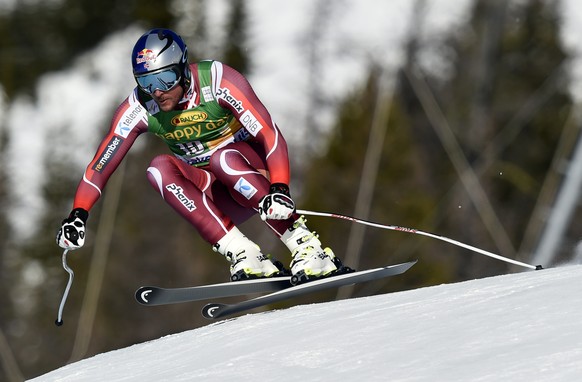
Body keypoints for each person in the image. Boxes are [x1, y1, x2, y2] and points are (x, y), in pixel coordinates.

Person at [56, 28, 348, 284]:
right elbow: (101, 164)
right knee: (158, 169)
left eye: (166, 78)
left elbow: (270, 134)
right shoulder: (140, 106)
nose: (157, 92)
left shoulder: (217, 81)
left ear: (183, 69)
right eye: (147, 83)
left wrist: (280, 187)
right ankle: (243, 253)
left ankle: (307, 247)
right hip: (216, 192)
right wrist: (78, 215)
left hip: (256, 179)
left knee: (224, 159)